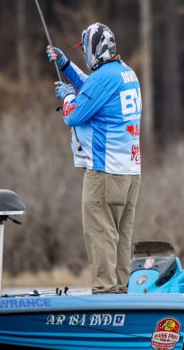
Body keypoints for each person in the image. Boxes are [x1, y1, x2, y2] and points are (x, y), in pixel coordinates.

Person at [47, 22, 141, 292]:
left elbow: (74, 114)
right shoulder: (126, 73)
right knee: (122, 237)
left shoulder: (104, 78)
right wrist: (66, 66)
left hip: (104, 173)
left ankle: (105, 293)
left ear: (94, 49)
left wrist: (67, 97)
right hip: (130, 174)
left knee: (100, 234)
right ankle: (122, 290)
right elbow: (92, 88)